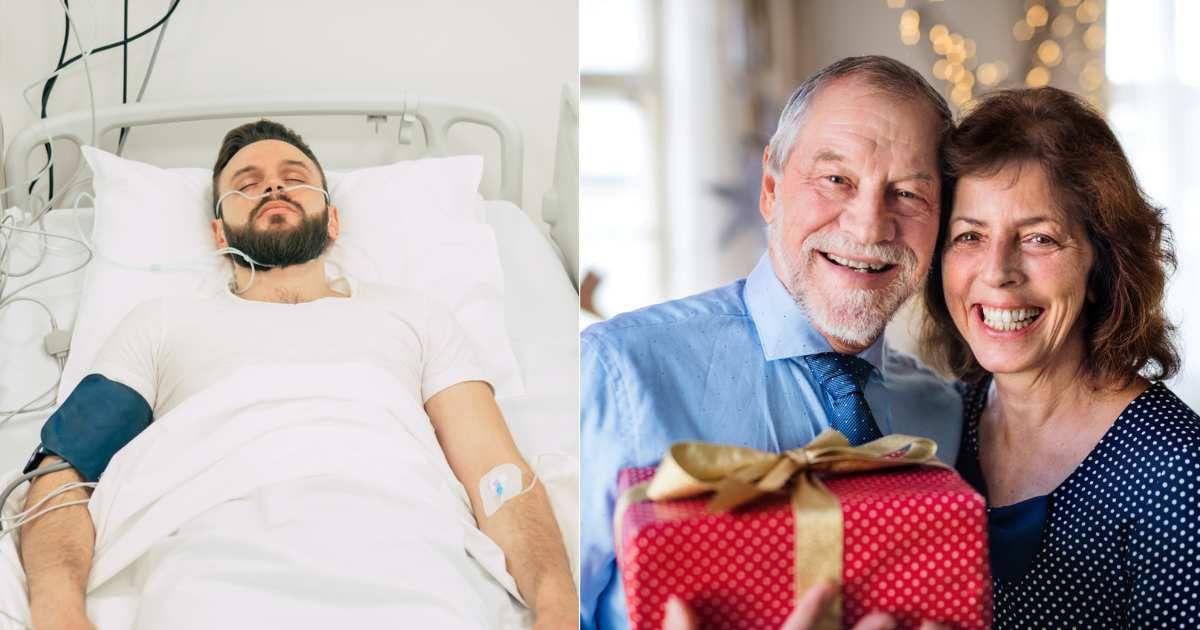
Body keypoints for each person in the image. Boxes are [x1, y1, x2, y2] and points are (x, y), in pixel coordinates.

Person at [19, 120, 577, 629]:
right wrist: (59, 612)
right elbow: (62, 470)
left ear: (332, 218)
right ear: (219, 231)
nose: (272, 188)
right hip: (213, 554)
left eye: (294, 178)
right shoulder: (161, 323)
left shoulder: (416, 316)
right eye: (247, 182)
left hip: (406, 543)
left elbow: (496, 474)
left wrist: (556, 608)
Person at [581, 56, 964, 630]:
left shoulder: (944, 413)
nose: (868, 227)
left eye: (907, 194)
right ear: (769, 190)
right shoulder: (619, 371)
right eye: (836, 180)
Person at [922, 87, 1200, 627]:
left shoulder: (1176, 473)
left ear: (1102, 266)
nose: (998, 271)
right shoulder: (941, 427)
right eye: (970, 236)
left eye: (1040, 239)